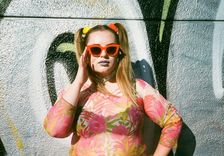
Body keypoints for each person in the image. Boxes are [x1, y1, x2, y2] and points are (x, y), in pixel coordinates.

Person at [43, 23, 182, 156]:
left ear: (118, 53)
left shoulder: (136, 88)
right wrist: (79, 81)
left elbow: (173, 121)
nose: (104, 55)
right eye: (96, 50)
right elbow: (54, 130)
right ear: (86, 53)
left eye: (111, 49)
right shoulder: (75, 92)